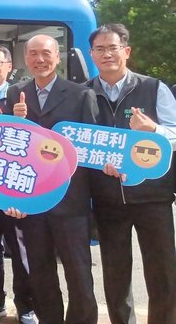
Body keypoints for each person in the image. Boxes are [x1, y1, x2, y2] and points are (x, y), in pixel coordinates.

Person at [6, 34, 99, 324]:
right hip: (33, 203)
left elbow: (92, 150)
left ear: (57, 57)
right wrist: (15, 119)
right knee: (41, 274)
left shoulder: (81, 94)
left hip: (71, 204)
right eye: (33, 54)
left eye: (46, 53)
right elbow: (9, 147)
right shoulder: (16, 94)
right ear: (25, 58)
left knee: (79, 276)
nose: (39, 59)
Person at [86, 23, 176, 324]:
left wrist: (154, 130)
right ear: (92, 54)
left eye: (113, 48)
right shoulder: (84, 93)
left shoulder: (153, 88)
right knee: (115, 272)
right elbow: (77, 145)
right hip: (107, 197)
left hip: (153, 196)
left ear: (126, 51)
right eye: (100, 49)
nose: (106, 54)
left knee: (162, 271)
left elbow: (175, 135)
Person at [0, 46, 36, 324]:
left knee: (20, 249)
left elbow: (19, 137)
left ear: (9, 66)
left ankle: (26, 306)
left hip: (12, 186)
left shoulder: (22, 94)